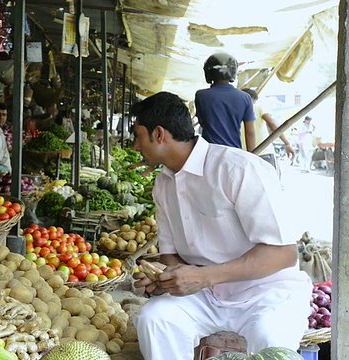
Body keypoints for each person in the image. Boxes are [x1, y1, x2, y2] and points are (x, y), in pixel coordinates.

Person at [130, 91, 311, 359]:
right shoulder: (162, 184)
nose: (135, 146)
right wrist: (165, 277)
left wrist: (203, 276)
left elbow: (283, 254)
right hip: (206, 297)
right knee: (155, 319)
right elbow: (170, 253)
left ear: (159, 135)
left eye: (137, 136)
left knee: (269, 336)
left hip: (266, 294)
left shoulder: (238, 169)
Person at [195, 52, 256, 150]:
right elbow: (250, 132)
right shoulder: (245, 98)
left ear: (208, 72)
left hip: (210, 152)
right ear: (233, 72)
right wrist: (253, 157)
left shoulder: (201, 96)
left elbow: (202, 122)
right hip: (234, 152)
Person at [241, 88, 295, 176]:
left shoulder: (233, 111)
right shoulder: (258, 107)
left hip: (244, 156)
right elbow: (272, 124)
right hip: (264, 153)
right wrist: (286, 143)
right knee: (271, 184)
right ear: (253, 99)